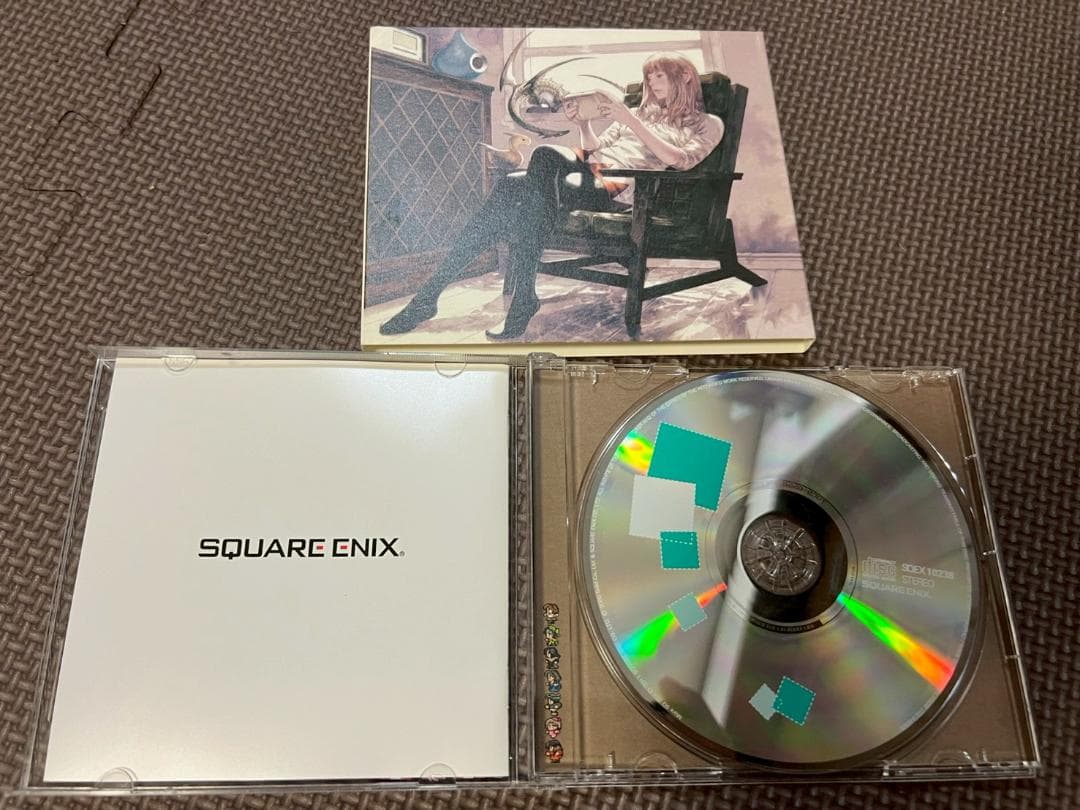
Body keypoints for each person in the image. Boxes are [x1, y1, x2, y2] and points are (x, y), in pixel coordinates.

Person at [379, 53, 724, 340]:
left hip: (616, 186)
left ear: (684, 78)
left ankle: (434, 298)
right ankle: (498, 299)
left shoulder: (707, 123)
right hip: (587, 172)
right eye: (649, 77)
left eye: (659, 76)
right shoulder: (638, 115)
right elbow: (594, 150)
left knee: (526, 174)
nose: (652, 83)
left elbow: (681, 161)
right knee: (520, 181)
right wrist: (583, 124)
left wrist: (631, 122)